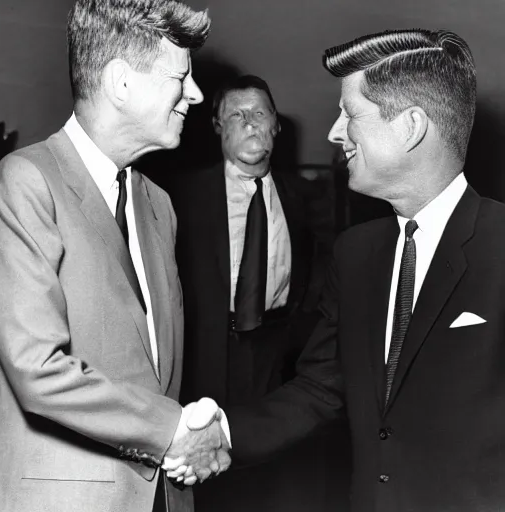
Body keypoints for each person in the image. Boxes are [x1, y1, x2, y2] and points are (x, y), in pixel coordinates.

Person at [169, 28, 505, 512]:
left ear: (410, 127)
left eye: (351, 114)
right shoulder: (356, 254)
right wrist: (221, 433)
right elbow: (319, 389)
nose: (334, 131)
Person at [0, 1, 230, 512]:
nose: (196, 94)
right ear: (122, 82)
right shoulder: (27, 181)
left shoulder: (160, 205)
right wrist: (173, 431)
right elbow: (36, 368)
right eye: (181, 76)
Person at [162, 75, 345, 512]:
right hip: (205, 352)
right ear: (217, 126)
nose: (249, 123)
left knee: (270, 472)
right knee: (205, 471)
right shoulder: (178, 195)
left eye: (259, 113)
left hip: (276, 353)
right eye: (235, 115)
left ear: (276, 125)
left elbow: (319, 272)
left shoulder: (303, 196)